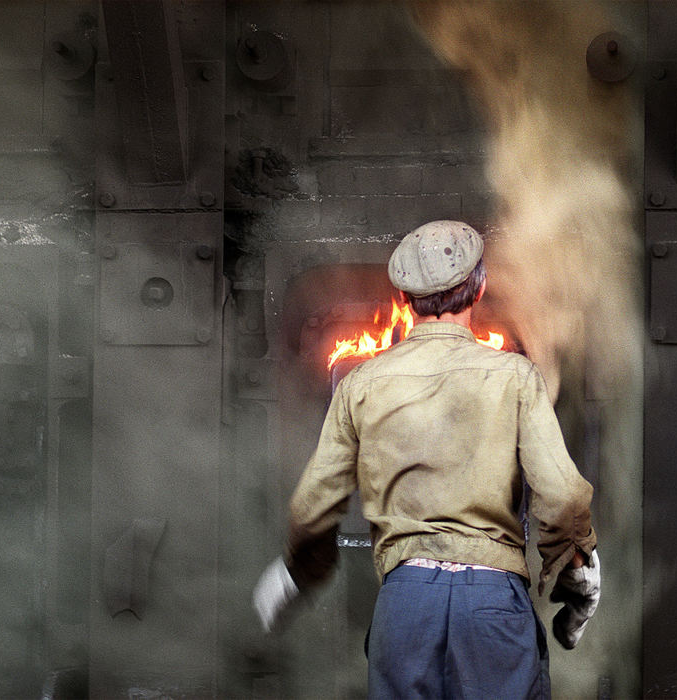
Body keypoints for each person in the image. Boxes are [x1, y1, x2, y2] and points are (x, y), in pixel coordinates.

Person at [254, 220, 600, 699]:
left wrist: (299, 573)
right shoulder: (515, 376)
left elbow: (313, 504)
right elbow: (561, 497)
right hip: (493, 604)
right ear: (478, 286)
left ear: (405, 298)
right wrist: (574, 567)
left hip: (405, 604)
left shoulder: (361, 383)